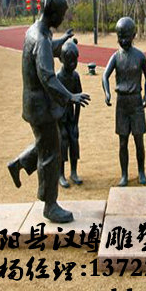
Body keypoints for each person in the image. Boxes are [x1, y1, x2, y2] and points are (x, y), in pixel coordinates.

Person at [7, 0, 90, 223]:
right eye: (61, 14)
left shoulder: (35, 31)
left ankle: (19, 164)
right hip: (40, 106)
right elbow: (48, 77)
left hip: (34, 104)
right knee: (51, 152)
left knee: (46, 142)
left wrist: (63, 40)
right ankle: (50, 205)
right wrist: (70, 96)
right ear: (52, 13)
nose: (63, 19)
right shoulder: (41, 39)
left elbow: (47, 50)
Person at [102, 17, 146, 187]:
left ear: (133, 35)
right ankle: (124, 174)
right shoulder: (116, 57)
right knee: (122, 142)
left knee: (139, 140)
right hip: (121, 103)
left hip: (136, 102)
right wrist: (107, 93)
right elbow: (105, 76)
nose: (123, 40)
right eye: (120, 37)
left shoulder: (140, 56)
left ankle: (141, 172)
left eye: (126, 37)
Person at [57, 39, 83, 188]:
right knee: (62, 142)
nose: (73, 64)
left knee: (74, 141)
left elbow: (79, 100)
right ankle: (60, 174)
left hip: (71, 116)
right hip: (60, 116)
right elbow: (54, 101)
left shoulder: (75, 77)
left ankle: (74, 172)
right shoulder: (58, 78)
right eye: (70, 61)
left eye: (75, 61)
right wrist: (59, 123)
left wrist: (76, 122)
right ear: (62, 60)